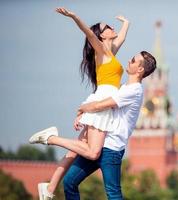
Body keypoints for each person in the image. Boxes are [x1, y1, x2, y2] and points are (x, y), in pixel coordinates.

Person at [29, 7, 129, 199]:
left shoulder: (110, 52)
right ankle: (51, 138)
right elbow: (89, 33)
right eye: (107, 26)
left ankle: (49, 189)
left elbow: (122, 38)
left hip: (101, 101)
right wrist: (74, 17)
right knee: (92, 152)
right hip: (102, 103)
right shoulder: (101, 52)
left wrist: (126, 23)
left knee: (76, 148)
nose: (111, 27)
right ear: (102, 36)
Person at [31, 51, 157, 200]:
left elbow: (102, 105)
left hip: (112, 149)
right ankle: (51, 138)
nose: (129, 60)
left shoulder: (134, 90)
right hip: (100, 143)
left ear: (140, 69)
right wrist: (83, 115)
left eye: (134, 60)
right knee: (69, 182)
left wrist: (83, 108)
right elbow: (101, 108)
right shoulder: (124, 87)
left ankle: (51, 139)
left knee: (113, 194)